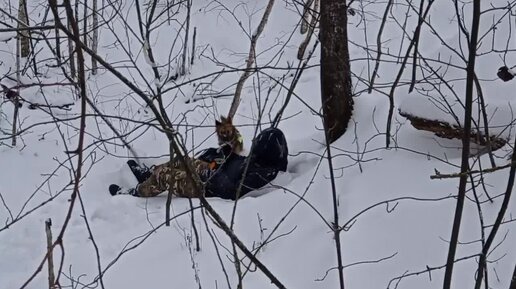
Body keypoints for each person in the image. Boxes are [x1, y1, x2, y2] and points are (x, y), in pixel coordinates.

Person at [109, 127, 288, 200]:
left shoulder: (263, 173)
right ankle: (149, 175)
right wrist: (224, 156)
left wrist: (212, 174)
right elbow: (240, 163)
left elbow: (231, 190)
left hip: (207, 187)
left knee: (167, 177)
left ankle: (136, 193)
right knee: (184, 160)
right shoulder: (260, 161)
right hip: (213, 175)